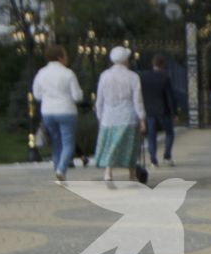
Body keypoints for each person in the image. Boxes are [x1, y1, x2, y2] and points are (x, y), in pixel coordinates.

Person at [93, 46, 147, 185]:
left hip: (109, 117)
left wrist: (99, 116)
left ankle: (108, 172)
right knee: (130, 146)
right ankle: (131, 173)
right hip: (127, 116)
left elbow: (100, 99)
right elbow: (137, 100)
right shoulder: (133, 77)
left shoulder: (104, 76)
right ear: (126, 60)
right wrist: (141, 118)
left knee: (110, 145)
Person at [32, 44, 84, 183]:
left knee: (56, 143)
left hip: (48, 111)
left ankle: (58, 170)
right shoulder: (68, 73)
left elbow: (37, 94)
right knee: (68, 143)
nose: (67, 58)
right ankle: (61, 169)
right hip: (66, 111)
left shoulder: (41, 73)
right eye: (65, 55)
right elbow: (77, 96)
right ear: (60, 57)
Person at [139, 53, 177, 168]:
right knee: (169, 133)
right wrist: (174, 112)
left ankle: (153, 160)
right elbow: (170, 96)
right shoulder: (165, 77)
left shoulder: (144, 76)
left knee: (151, 135)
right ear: (163, 64)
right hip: (163, 110)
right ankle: (167, 156)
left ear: (153, 63)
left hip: (149, 110)